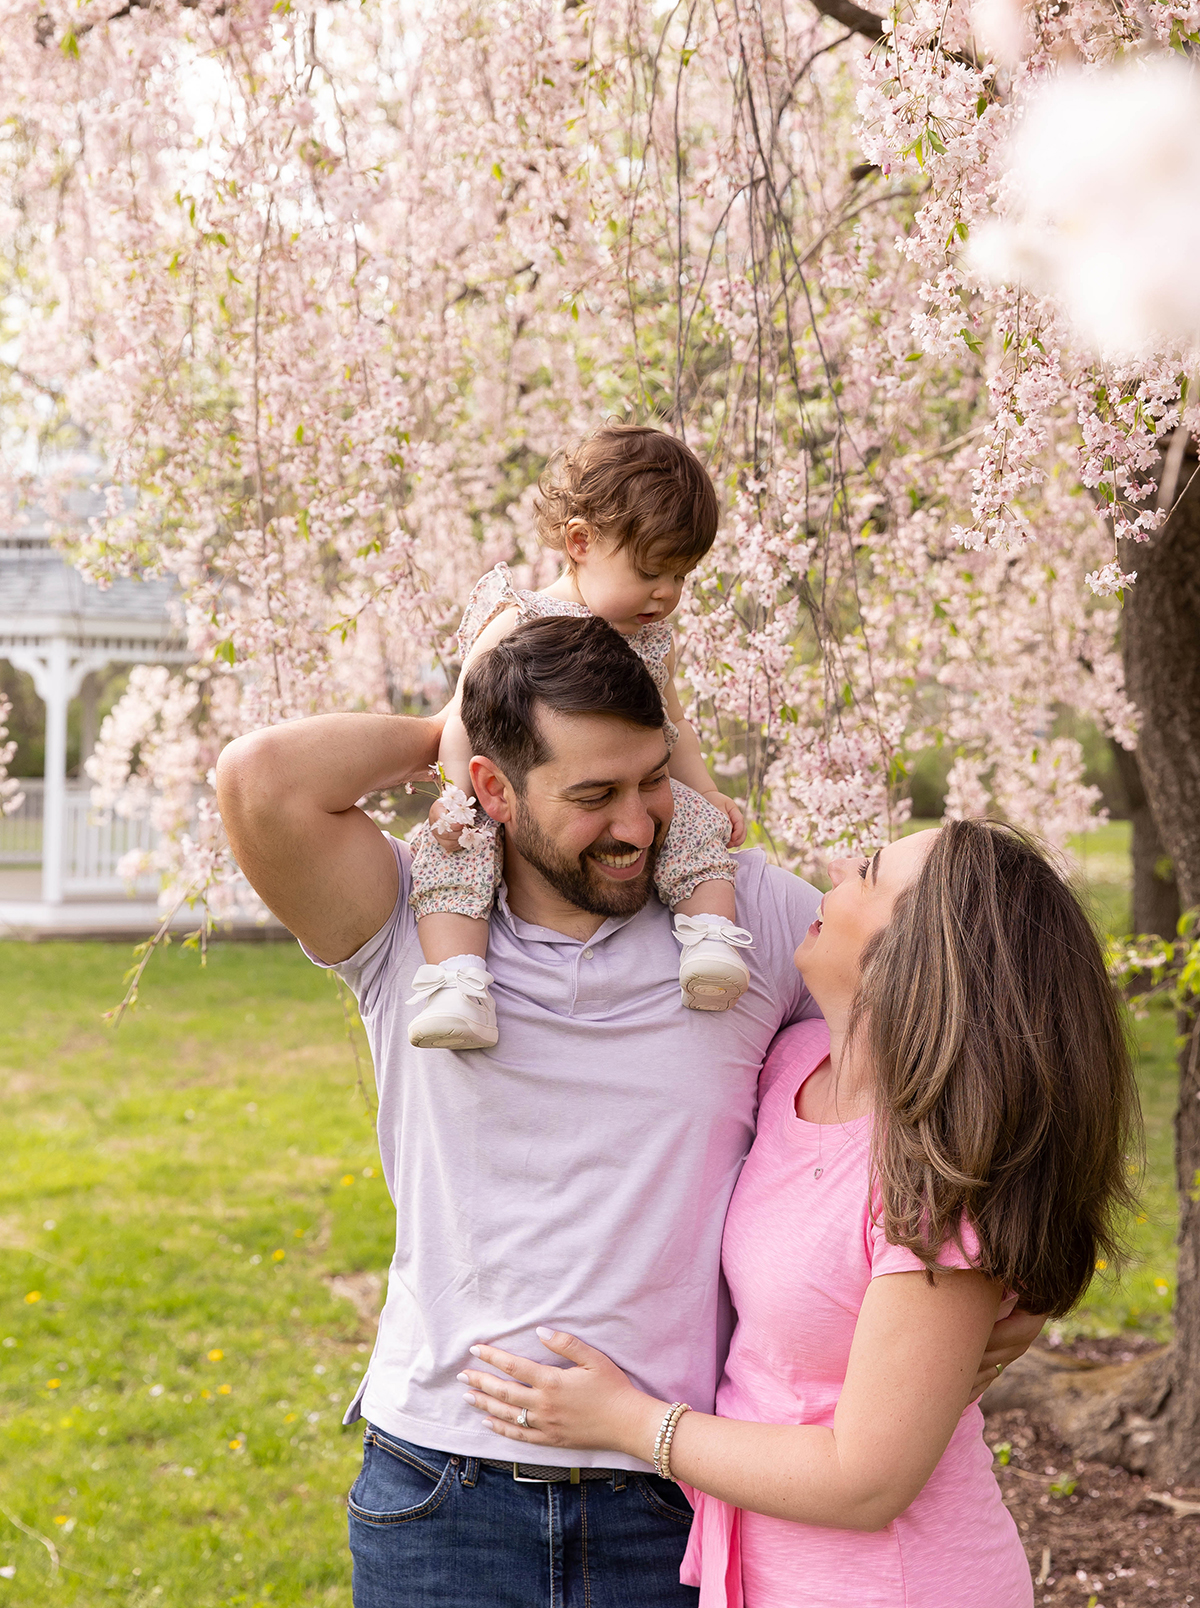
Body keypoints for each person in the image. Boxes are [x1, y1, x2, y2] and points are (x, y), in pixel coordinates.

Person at [215, 616, 1042, 1608]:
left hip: (676, 1502)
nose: (640, 825)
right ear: (491, 787)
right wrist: (460, 715)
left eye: (653, 779)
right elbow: (260, 780)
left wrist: (1018, 1284)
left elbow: (973, 1032)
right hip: (443, 1493)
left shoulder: (749, 923)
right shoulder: (409, 923)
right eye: (593, 794)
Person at [458, 820, 1140, 1608]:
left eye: (870, 870)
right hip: (765, 1576)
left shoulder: (932, 1180)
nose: (836, 864)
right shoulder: (789, 1067)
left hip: (894, 1584)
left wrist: (630, 1423)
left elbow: (864, 1481)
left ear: (916, 959)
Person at [405, 425, 754, 1052]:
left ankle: (709, 935)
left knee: (697, 824)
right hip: (518, 794)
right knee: (455, 853)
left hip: (633, 788)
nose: (667, 593)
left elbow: (676, 726)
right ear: (580, 542)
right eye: (651, 571)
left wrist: (706, 790)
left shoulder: (649, 639)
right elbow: (461, 718)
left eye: (682, 575)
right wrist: (457, 795)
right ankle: (457, 981)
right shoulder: (522, 620)